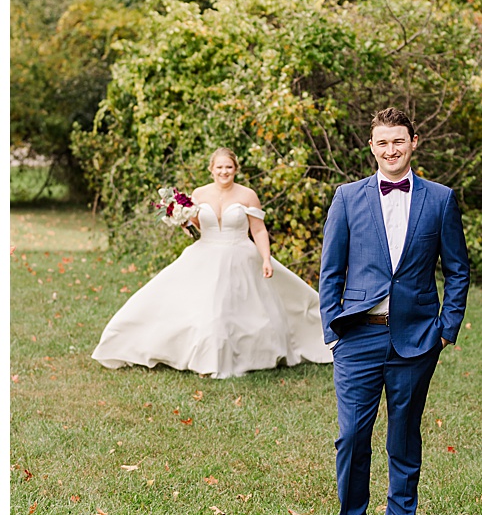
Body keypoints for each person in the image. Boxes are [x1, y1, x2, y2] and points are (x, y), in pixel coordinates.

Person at [319, 108, 469, 515]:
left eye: (398, 141)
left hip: (417, 338)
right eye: (383, 143)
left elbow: (458, 270)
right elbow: (331, 269)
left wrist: (447, 328)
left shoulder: (440, 199)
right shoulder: (347, 197)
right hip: (358, 335)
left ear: (414, 142)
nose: (391, 150)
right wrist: (332, 329)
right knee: (352, 434)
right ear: (372, 147)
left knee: (404, 433)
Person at [91, 148, 333, 378]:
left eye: (228, 167)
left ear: (235, 169)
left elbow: (258, 230)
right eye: (219, 167)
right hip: (205, 254)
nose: (224, 171)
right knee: (198, 308)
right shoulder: (198, 194)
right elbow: (196, 226)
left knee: (233, 311)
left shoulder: (247, 195)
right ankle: (181, 353)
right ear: (211, 169)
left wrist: (266, 259)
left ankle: (237, 358)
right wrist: (183, 223)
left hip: (240, 255)